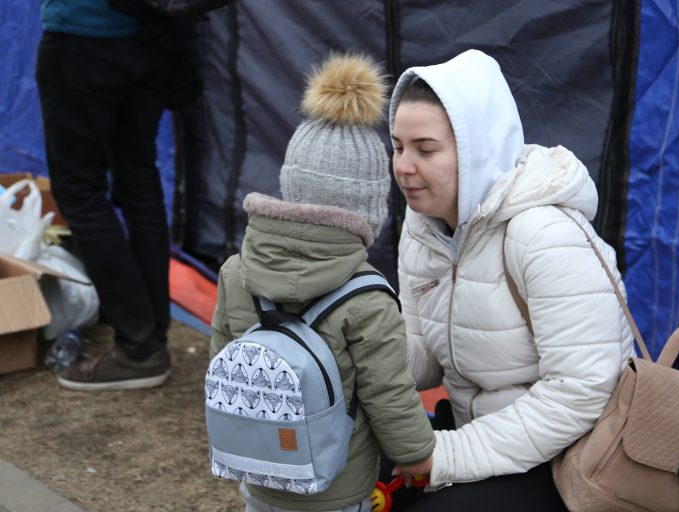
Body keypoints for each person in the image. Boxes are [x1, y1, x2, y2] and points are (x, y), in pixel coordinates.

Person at [388, 49, 636, 510]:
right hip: (479, 434)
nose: (403, 166)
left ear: (478, 148)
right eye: (398, 146)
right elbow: (424, 360)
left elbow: (581, 393)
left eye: (425, 149)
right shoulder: (422, 227)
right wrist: (355, 343)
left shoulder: (543, 234)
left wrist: (447, 456)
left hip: (574, 459)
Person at [209, 53, 436, 512]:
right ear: (368, 208)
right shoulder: (367, 295)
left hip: (258, 472)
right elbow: (389, 395)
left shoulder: (236, 272)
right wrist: (418, 459)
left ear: (290, 185)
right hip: (336, 487)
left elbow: (222, 363)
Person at [36, 0, 175, 390]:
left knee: (80, 191)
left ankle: (139, 347)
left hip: (84, 34)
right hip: (151, 36)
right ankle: (150, 339)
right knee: (139, 183)